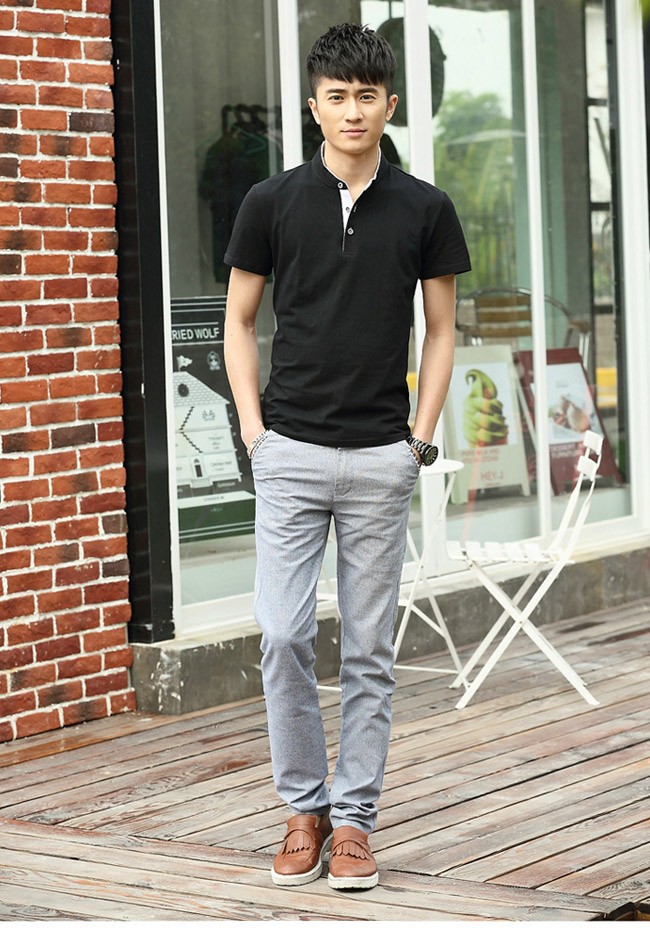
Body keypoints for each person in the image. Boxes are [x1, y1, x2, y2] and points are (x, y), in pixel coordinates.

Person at [223, 23, 470, 891]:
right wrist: (254, 432)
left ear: (389, 104)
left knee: (369, 651)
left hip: (379, 460)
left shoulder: (426, 209)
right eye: (337, 96)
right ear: (315, 105)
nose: (353, 110)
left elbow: (442, 331)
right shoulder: (270, 202)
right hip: (288, 452)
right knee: (283, 633)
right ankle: (305, 810)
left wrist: (419, 440)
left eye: (367, 96)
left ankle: (355, 820)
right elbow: (239, 321)